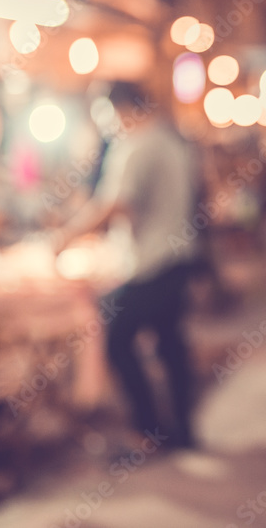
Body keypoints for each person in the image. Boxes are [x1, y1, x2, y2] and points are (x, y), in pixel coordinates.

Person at [54, 81, 201, 448]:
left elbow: (115, 205)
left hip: (152, 263)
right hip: (178, 258)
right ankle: (180, 431)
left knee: (117, 339)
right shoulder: (171, 142)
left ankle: (148, 427)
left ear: (121, 108)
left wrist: (69, 234)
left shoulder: (138, 147)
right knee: (170, 345)